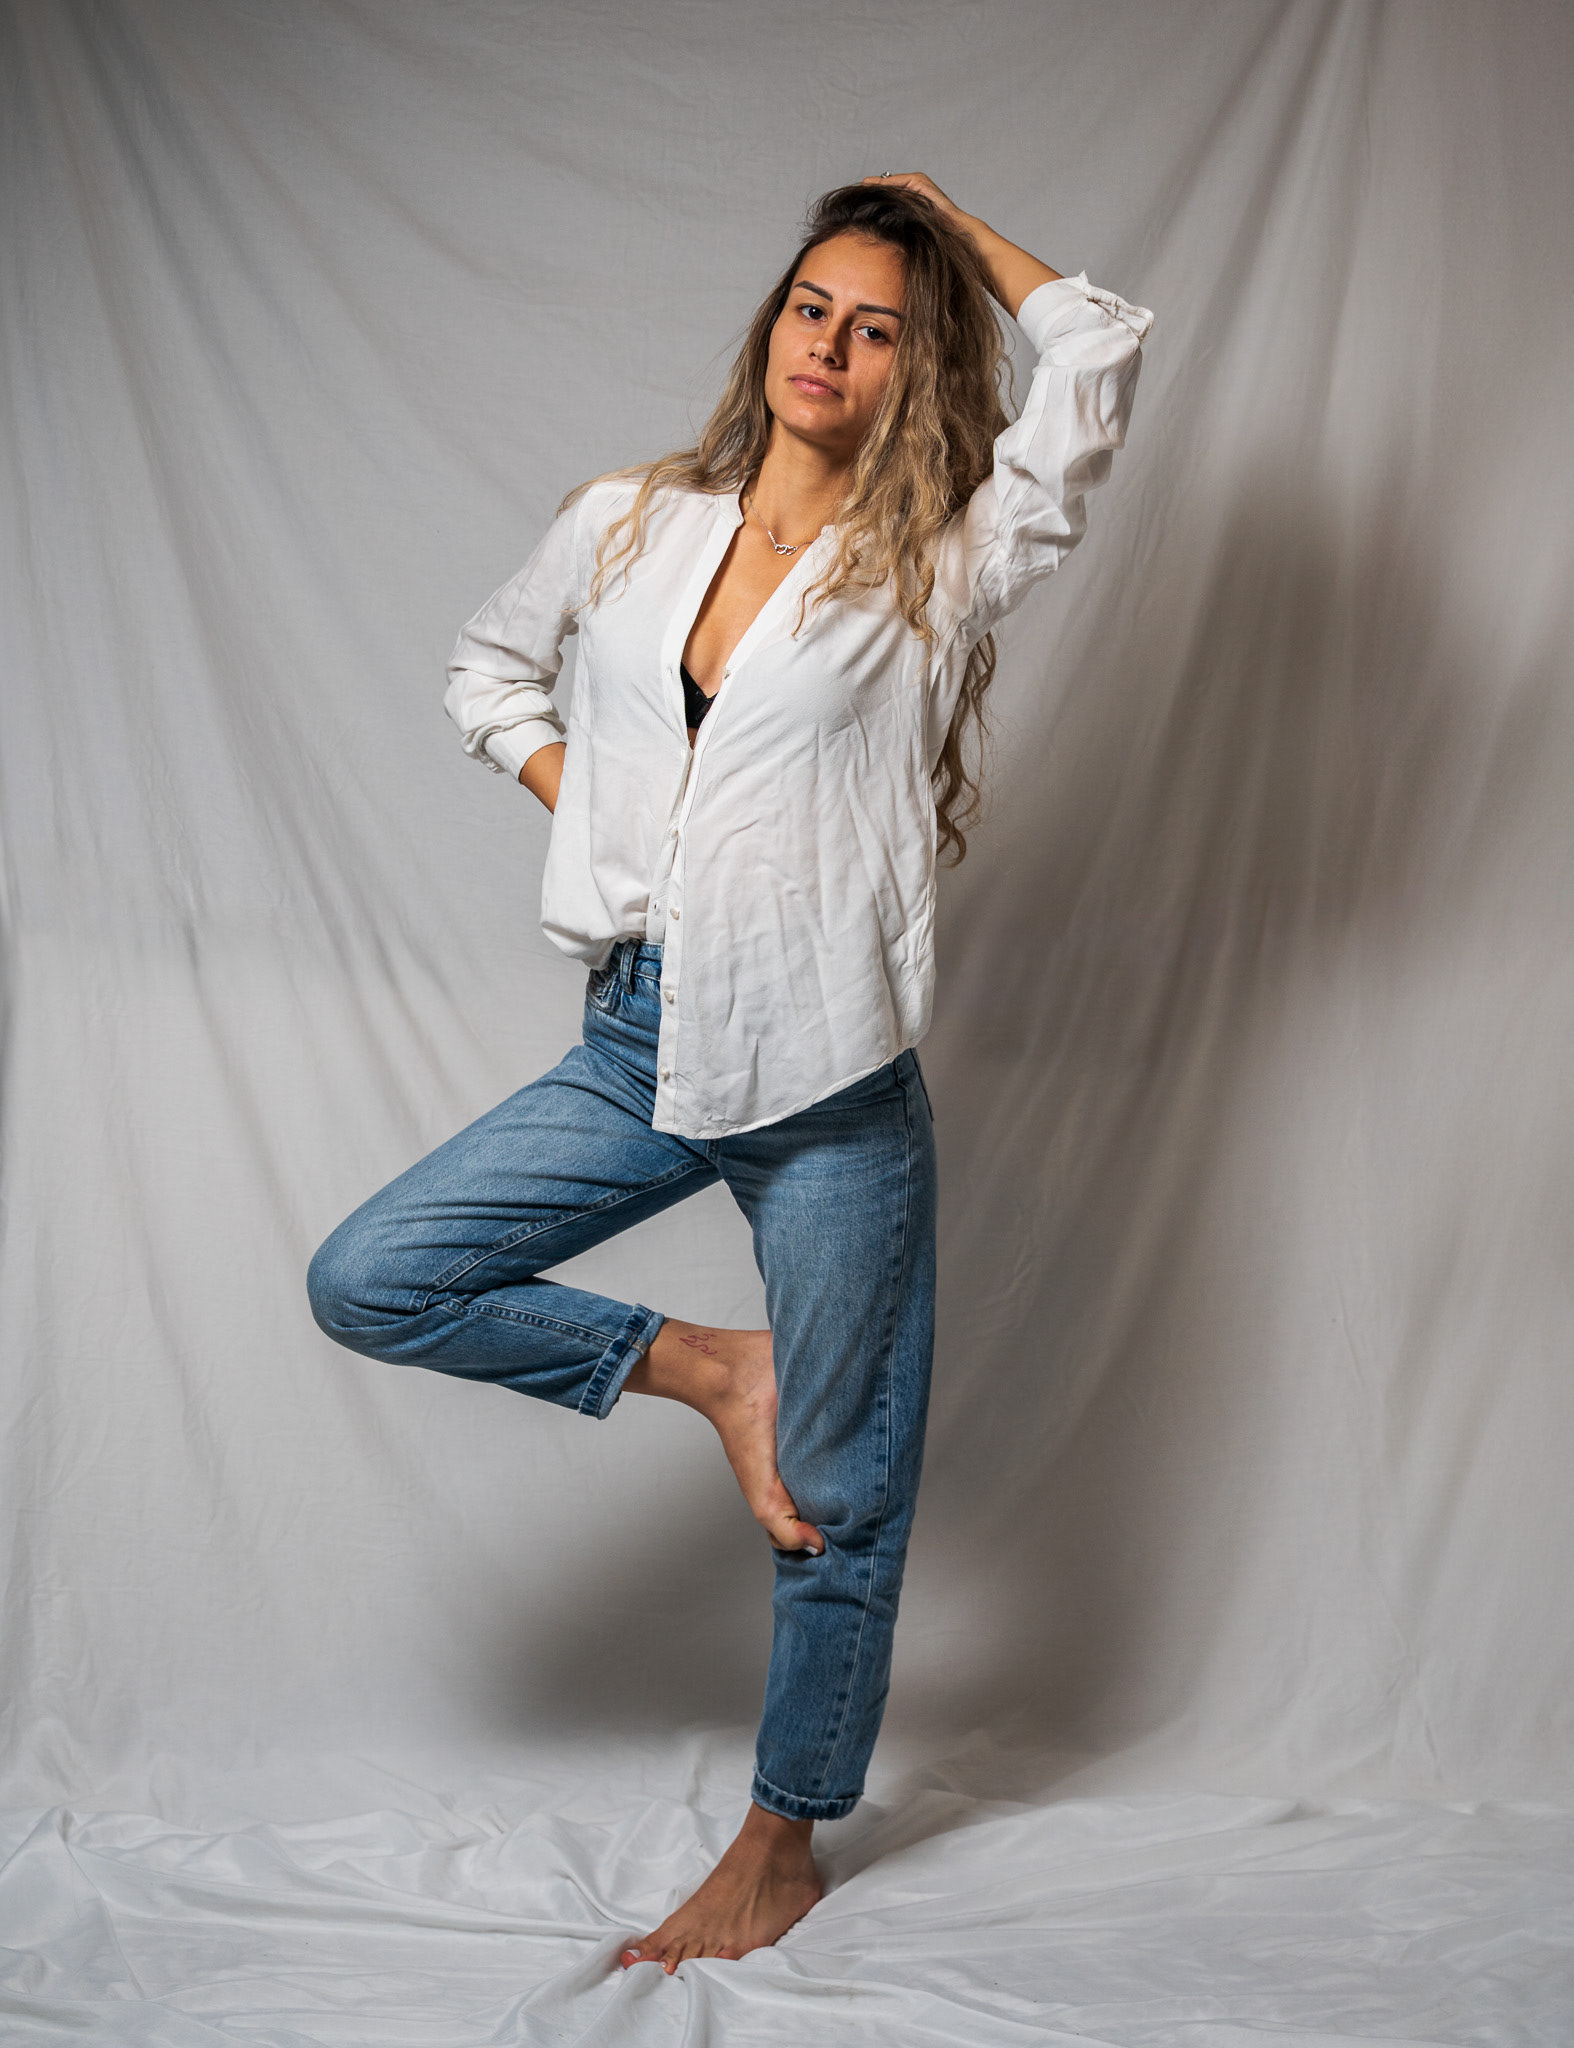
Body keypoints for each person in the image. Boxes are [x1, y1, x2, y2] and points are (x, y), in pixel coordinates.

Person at [307, 173, 1153, 1971]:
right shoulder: (631, 523)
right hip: (640, 1032)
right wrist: (608, 831)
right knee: (373, 1277)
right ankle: (716, 1373)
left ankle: (780, 1841)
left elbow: (1093, 351)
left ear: (918, 363)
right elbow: (483, 671)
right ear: (767, 326)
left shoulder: (937, 565)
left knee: (841, 1490)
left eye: (876, 324)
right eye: (808, 308)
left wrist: (943, 220)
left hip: (829, 1073)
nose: (828, 347)